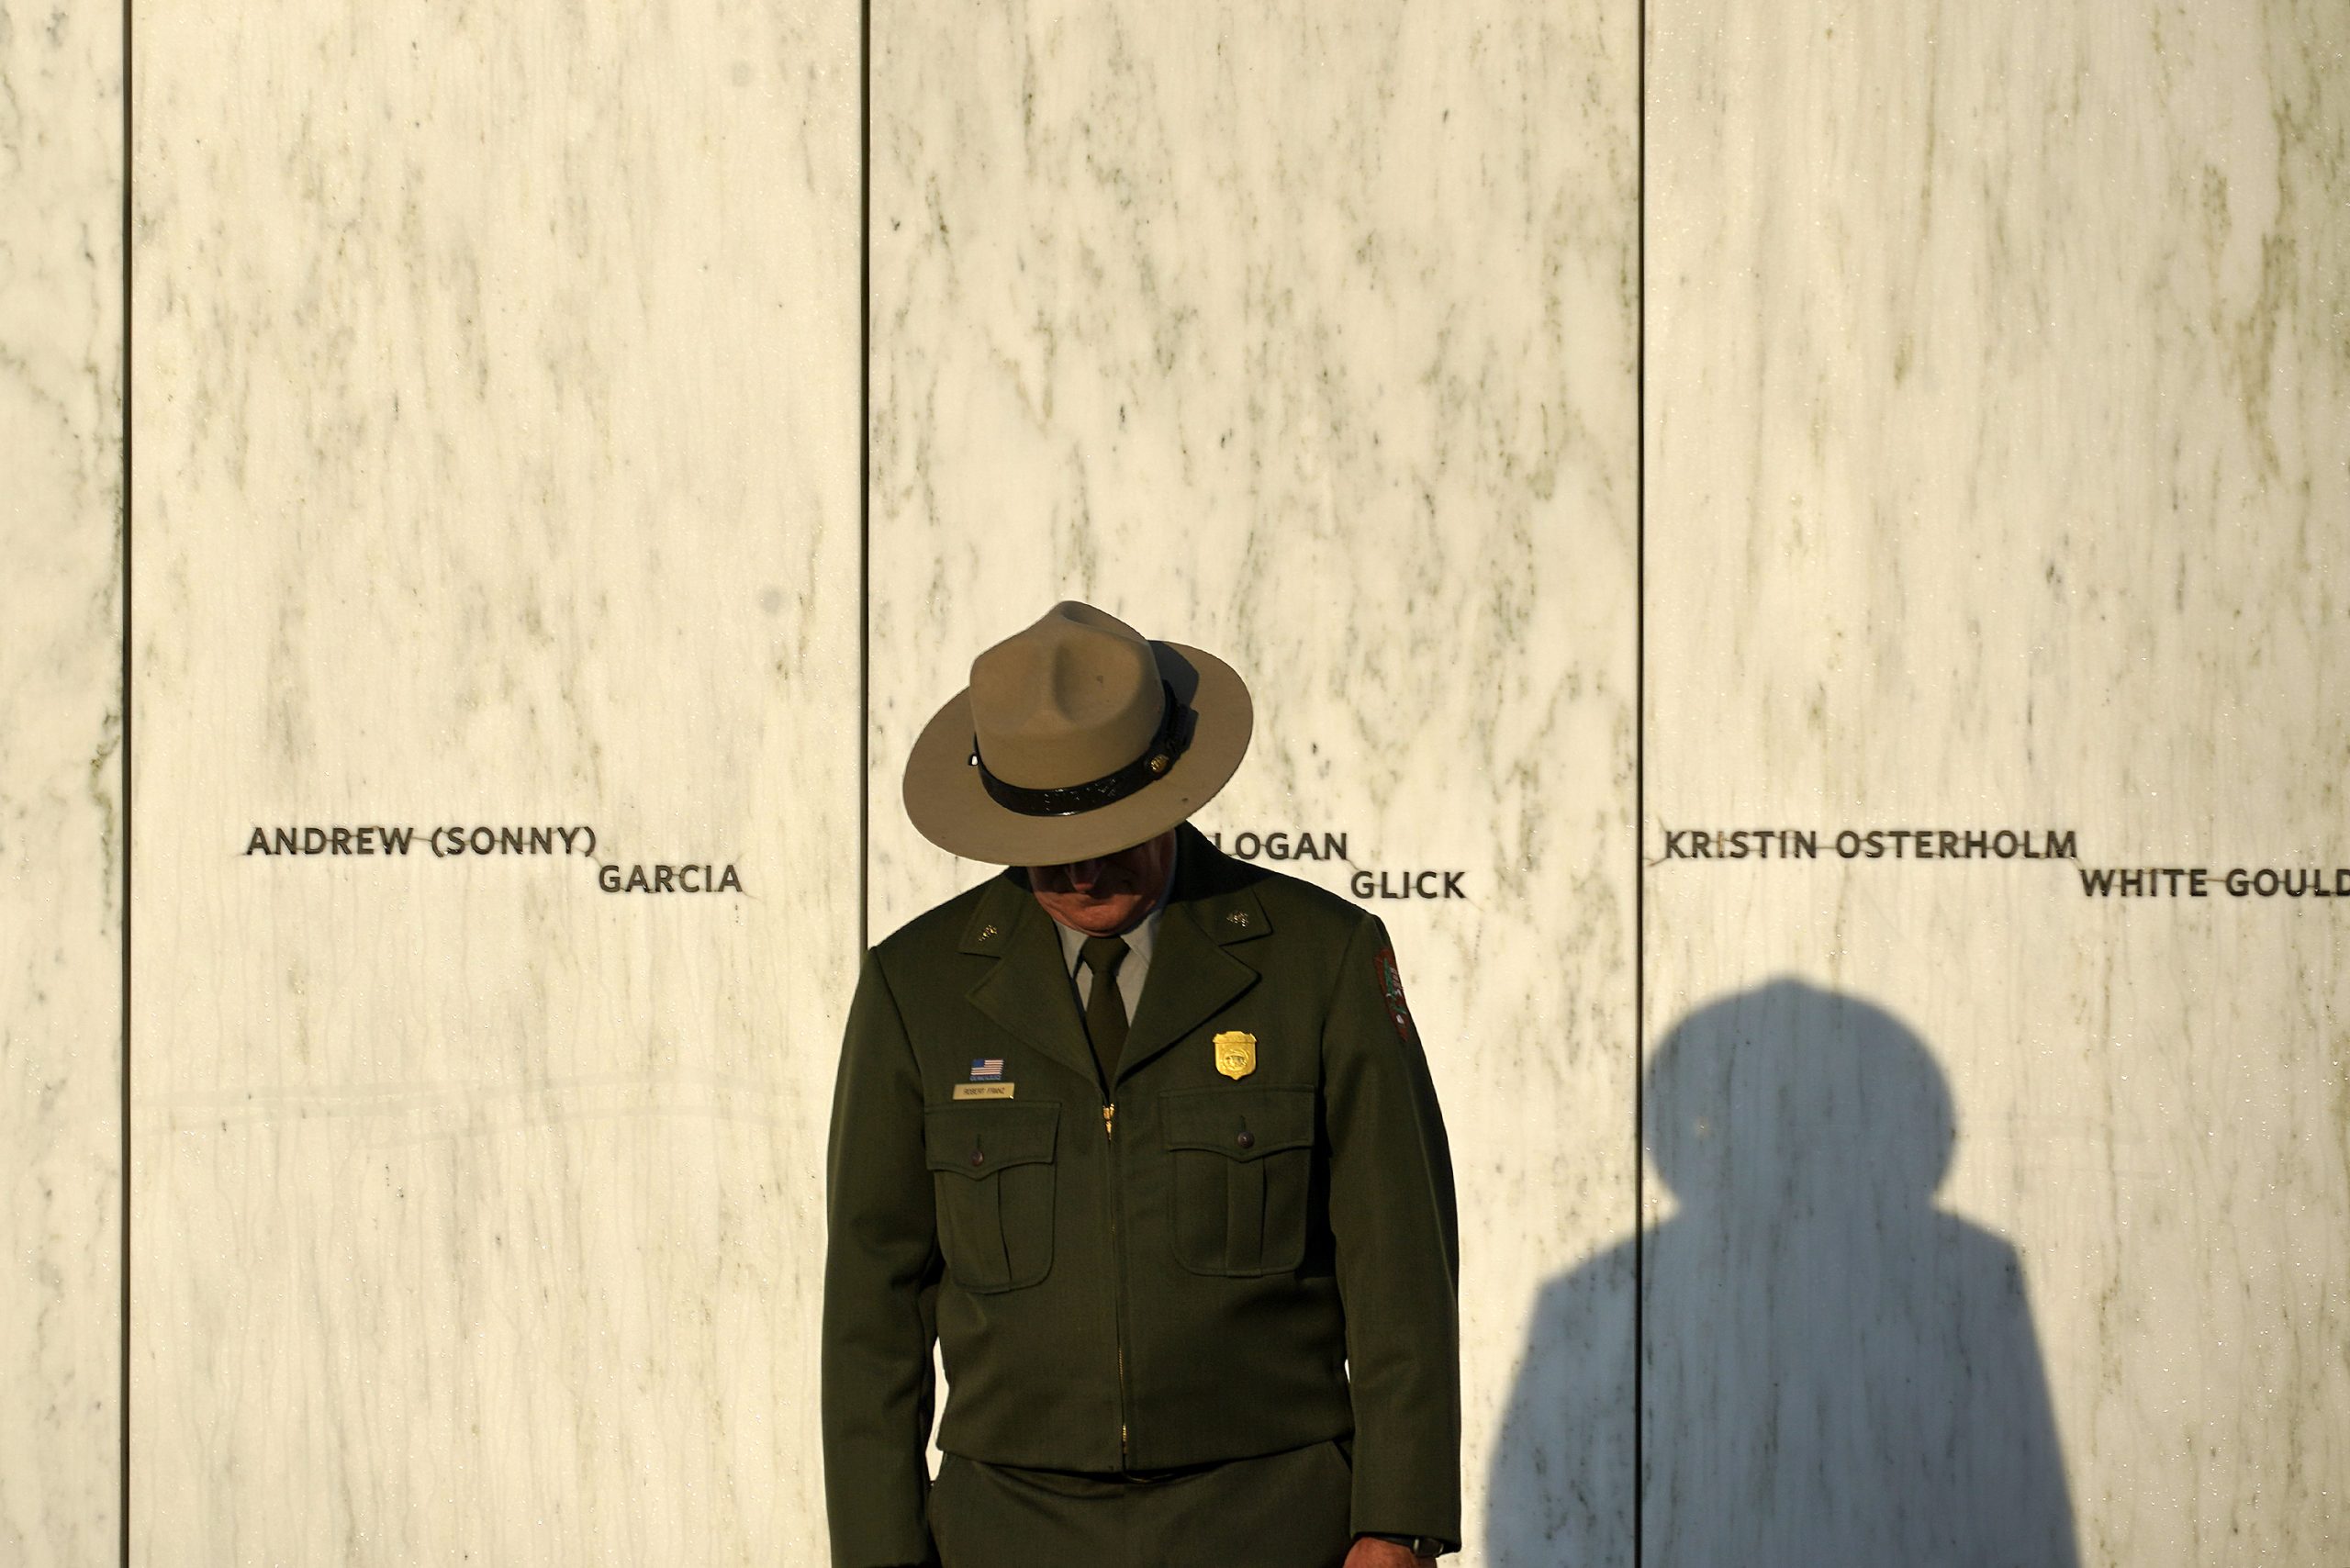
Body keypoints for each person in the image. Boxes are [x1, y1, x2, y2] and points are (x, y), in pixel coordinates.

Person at [822, 600, 1460, 1568]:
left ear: (1172, 791)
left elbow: (1399, 1262)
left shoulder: (1318, 961)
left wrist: (1399, 1521)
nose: (1084, 865)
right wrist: (878, 1551)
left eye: (1114, 825)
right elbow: (875, 1298)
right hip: (1008, 1531)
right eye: (1049, 839)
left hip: (1272, 1516)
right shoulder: (919, 988)